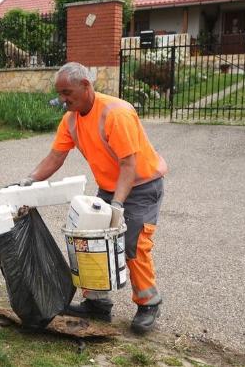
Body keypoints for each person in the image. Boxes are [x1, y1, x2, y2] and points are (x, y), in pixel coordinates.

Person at [17, 62, 168, 334]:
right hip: (110, 187)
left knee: (132, 243)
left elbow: (128, 165)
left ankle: (148, 302)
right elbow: (55, 157)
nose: (61, 98)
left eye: (67, 92)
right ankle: (97, 304)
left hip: (141, 186)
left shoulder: (115, 114)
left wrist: (117, 207)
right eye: (59, 92)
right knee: (89, 241)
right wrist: (29, 180)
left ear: (86, 86)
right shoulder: (71, 119)